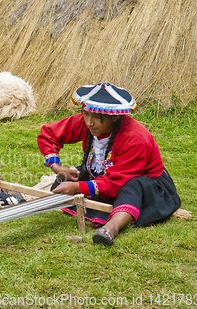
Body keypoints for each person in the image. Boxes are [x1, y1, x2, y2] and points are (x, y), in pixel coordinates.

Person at [37, 82, 181, 246]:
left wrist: (78, 188)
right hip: (105, 177)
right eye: (86, 114)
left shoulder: (136, 138)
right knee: (65, 178)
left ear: (115, 116)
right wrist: (56, 166)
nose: (89, 123)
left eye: (97, 118)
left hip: (143, 183)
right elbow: (49, 133)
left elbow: (117, 182)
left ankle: (111, 228)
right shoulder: (86, 121)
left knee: (132, 187)